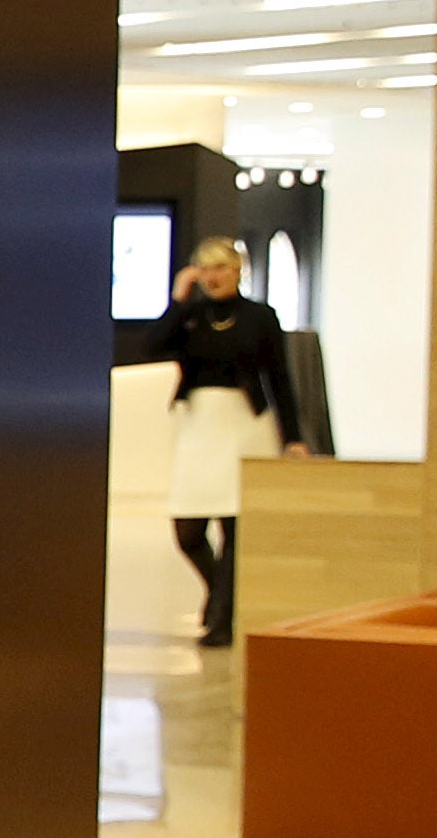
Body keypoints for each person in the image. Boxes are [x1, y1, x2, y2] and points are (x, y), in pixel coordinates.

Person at [116, 239, 310, 646]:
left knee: (235, 528)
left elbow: (280, 378)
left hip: (245, 425)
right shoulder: (191, 317)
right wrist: (178, 300)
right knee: (188, 531)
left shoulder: (260, 317)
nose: (213, 277)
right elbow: (152, 345)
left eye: (221, 267)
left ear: (238, 270)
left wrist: (293, 436)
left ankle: (222, 620)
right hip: (198, 425)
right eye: (205, 269)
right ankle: (219, 597)